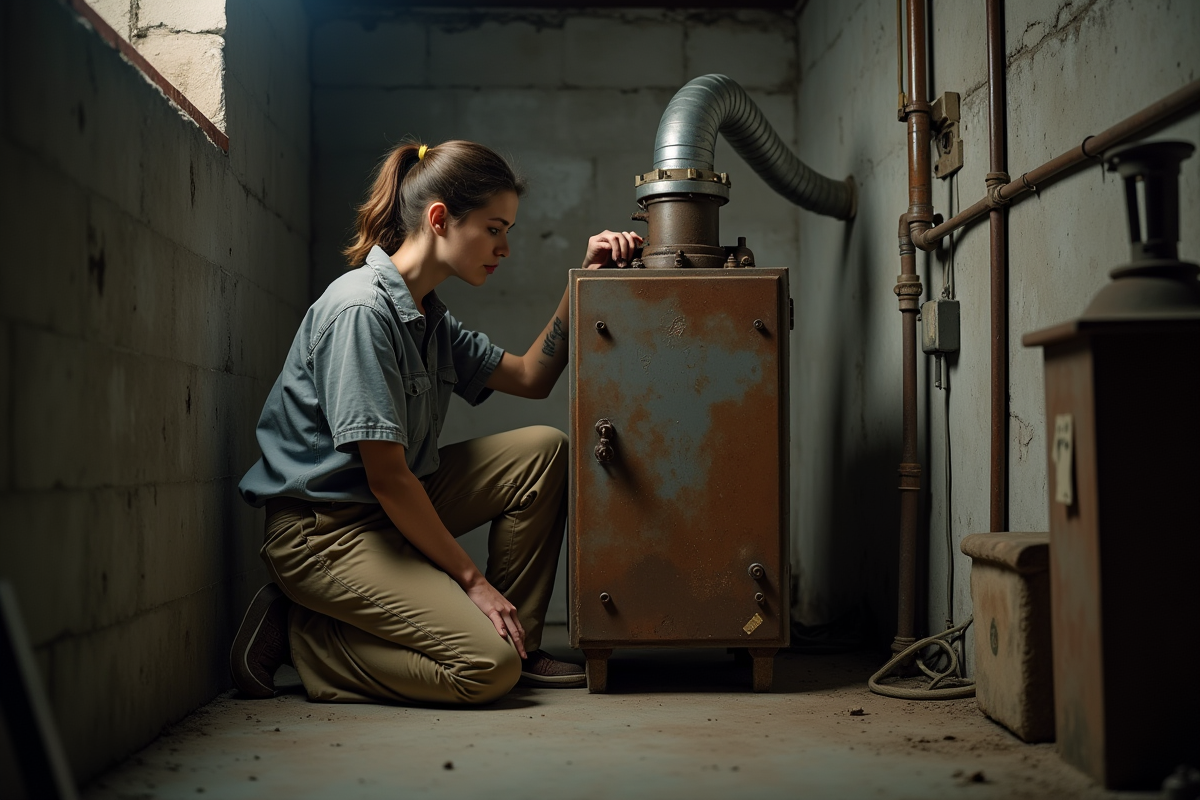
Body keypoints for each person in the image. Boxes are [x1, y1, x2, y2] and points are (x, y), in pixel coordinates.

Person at [230, 139, 642, 704]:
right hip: (325, 533)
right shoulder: (361, 313)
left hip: (383, 511)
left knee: (543, 450)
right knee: (483, 671)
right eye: (495, 229)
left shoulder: (428, 316)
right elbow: (387, 478)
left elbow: (529, 377)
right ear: (440, 218)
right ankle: (310, 636)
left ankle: (513, 637)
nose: (505, 248)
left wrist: (583, 282)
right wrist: (473, 582)